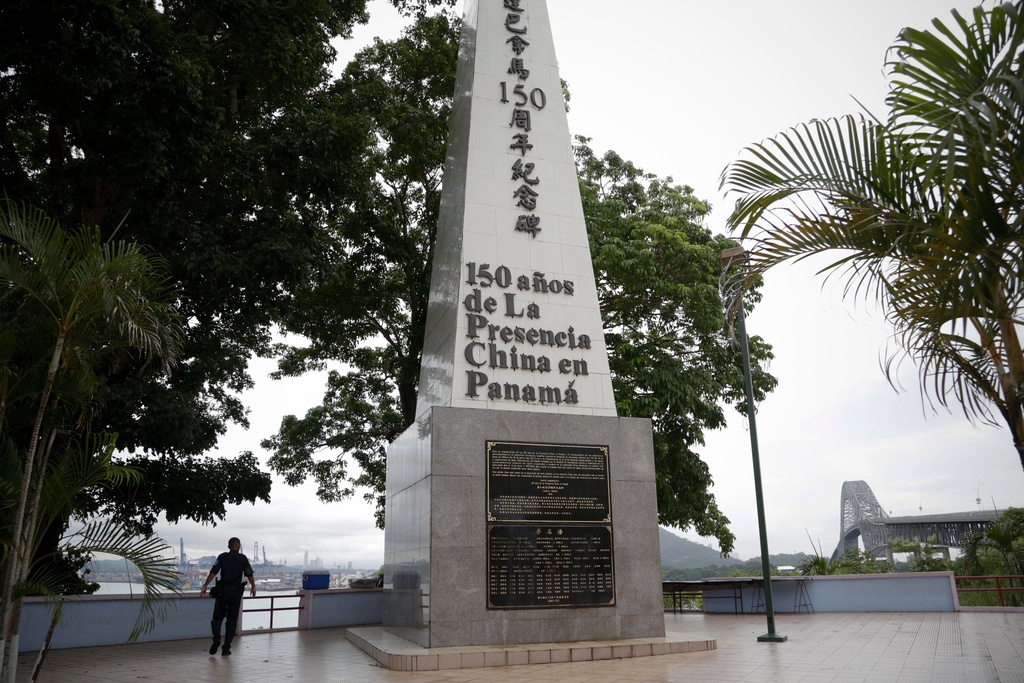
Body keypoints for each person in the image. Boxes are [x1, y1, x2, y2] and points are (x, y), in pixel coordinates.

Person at [200, 537, 256, 656]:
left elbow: (213, 572)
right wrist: (253, 586)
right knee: (231, 621)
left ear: (228, 546)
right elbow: (249, 574)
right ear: (239, 546)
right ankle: (226, 648)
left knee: (217, 618)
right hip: (236, 593)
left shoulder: (222, 557)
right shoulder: (243, 558)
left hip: (222, 592)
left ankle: (216, 639)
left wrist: (205, 585)